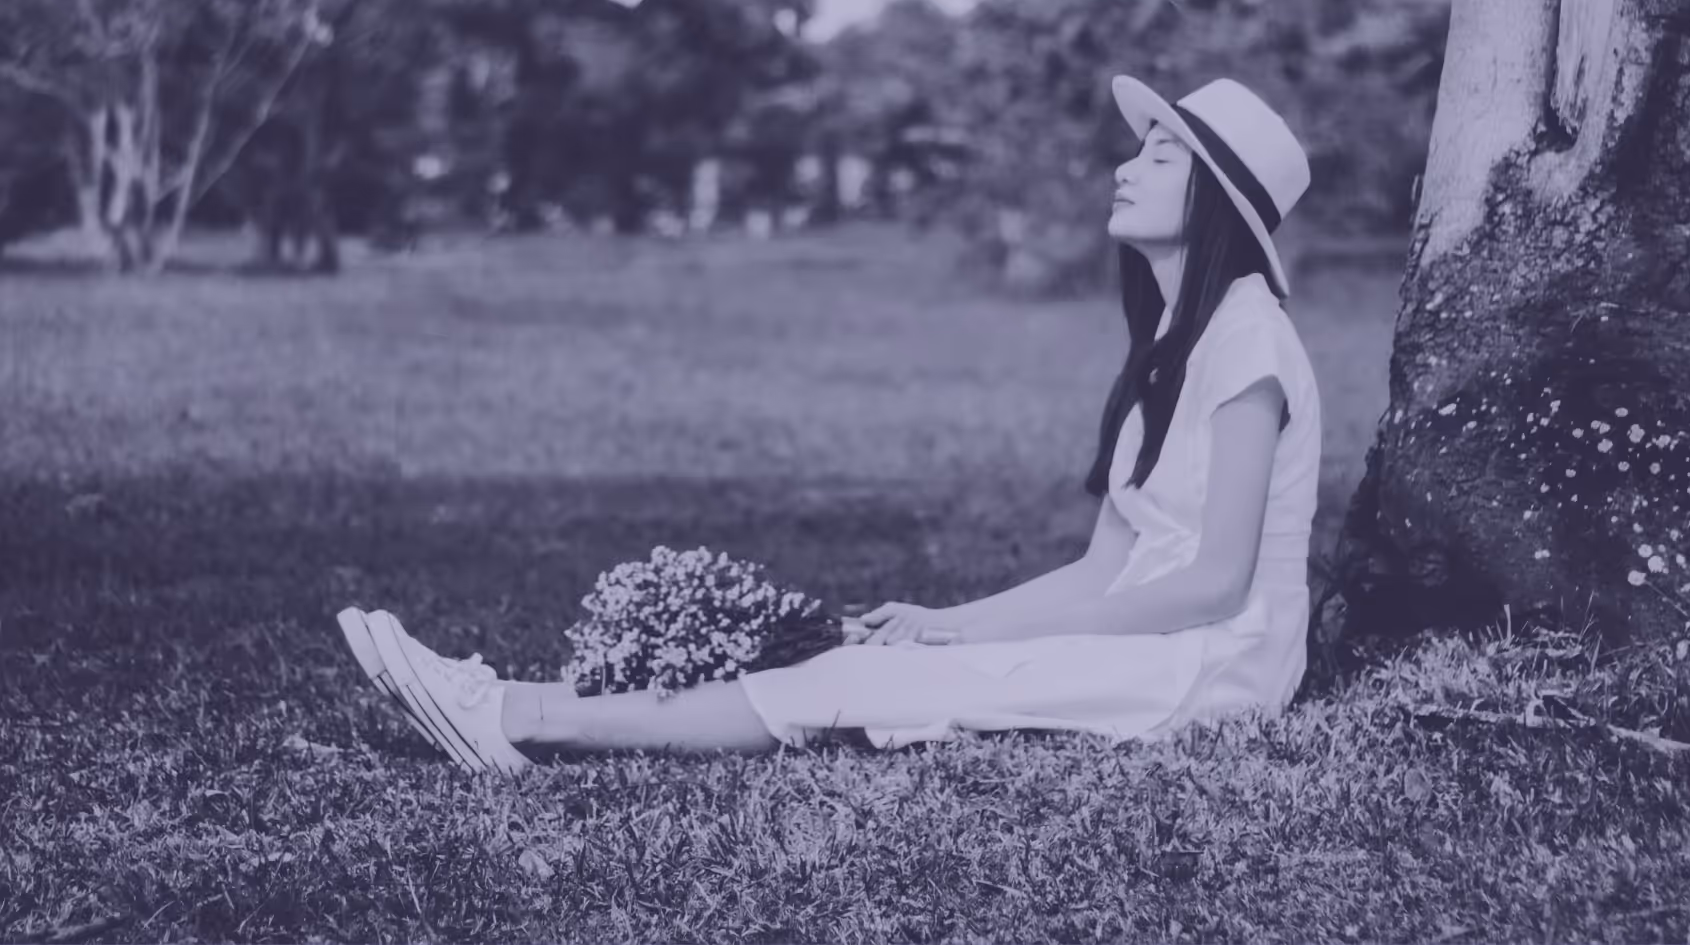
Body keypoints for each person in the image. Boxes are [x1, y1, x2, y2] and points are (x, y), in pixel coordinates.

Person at [335, 75, 1322, 774]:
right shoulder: (1168, 343)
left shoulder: (1247, 339)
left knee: (853, 680)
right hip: (1150, 640)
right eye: (1135, 146)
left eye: (1158, 154)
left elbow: (1210, 582)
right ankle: (525, 701)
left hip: (1210, 667)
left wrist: (1002, 647)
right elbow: (1103, 564)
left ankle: (518, 716)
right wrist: (948, 626)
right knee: (886, 660)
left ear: (1217, 203)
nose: (1123, 165)